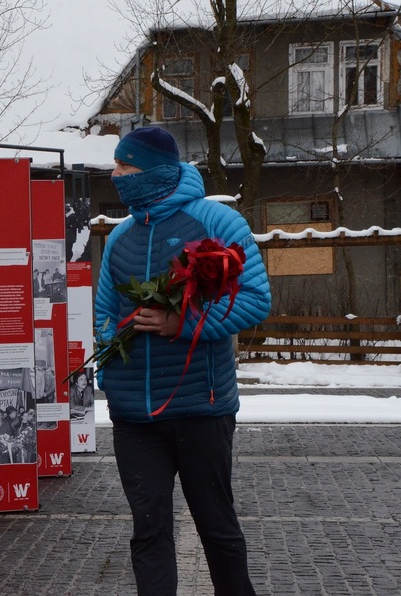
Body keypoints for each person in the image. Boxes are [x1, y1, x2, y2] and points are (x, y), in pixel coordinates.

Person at [94, 127, 271, 596]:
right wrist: (110, 365)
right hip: (134, 418)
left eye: (125, 166)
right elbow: (105, 312)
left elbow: (255, 299)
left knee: (217, 528)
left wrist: (182, 323)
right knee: (148, 533)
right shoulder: (120, 236)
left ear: (154, 171)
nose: (115, 175)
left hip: (200, 409)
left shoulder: (218, 222)